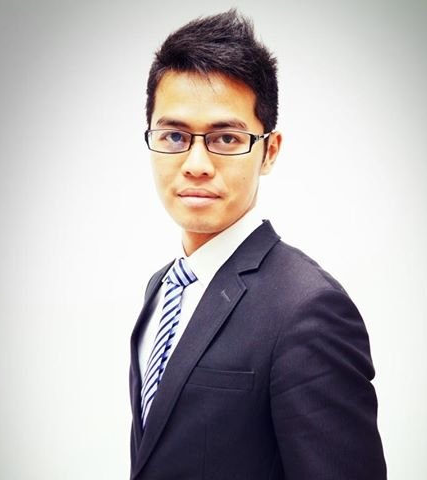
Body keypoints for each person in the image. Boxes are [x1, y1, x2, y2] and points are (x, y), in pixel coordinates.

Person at [129, 9, 386, 480]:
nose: (196, 164)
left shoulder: (308, 310)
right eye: (174, 135)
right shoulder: (162, 289)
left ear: (269, 150)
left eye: (226, 138)